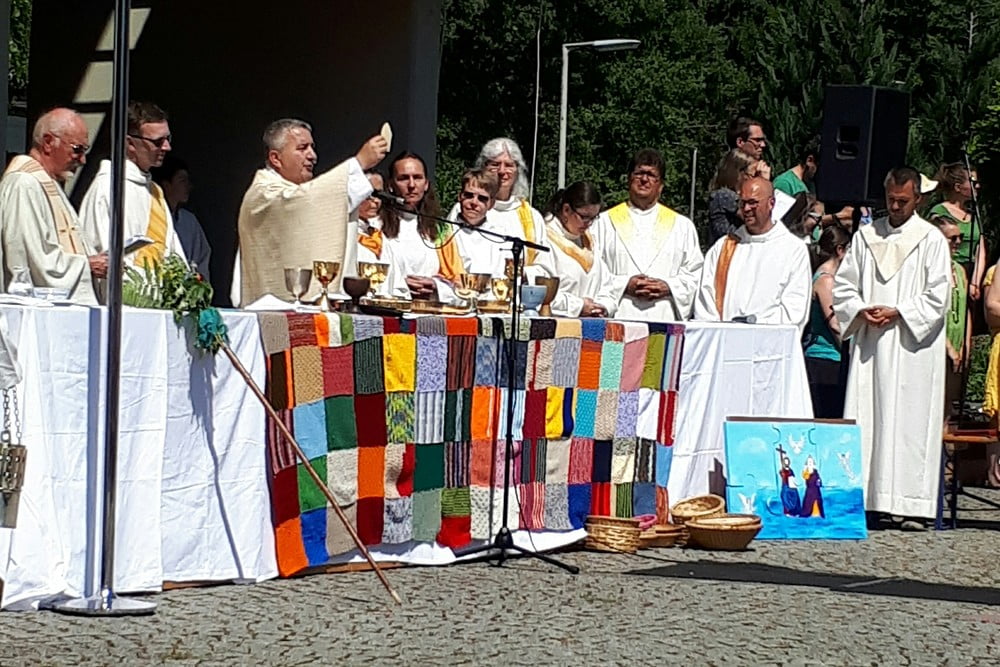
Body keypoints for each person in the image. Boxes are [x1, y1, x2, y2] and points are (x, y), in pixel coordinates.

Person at [832, 167, 951, 530]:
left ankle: (911, 503)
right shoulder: (867, 237)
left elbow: (938, 295)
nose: (896, 207)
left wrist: (899, 311)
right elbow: (844, 286)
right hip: (872, 343)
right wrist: (860, 309)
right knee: (869, 416)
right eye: (891, 200)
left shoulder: (930, 239)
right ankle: (869, 500)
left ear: (917, 199)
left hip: (912, 347)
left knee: (910, 422)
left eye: (903, 201)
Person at [231, 119, 387, 306]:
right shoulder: (264, 193)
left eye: (312, 147)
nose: (312, 156)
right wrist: (359, 163)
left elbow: (316, 199)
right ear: (275, 158)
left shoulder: (296, 192)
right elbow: (302, 202)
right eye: (302, 148)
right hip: (272, 310)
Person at [0, 108, 100, 304]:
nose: (82, 160)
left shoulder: (47, 183)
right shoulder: (24, 183)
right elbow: (31, 259)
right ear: (48, 142)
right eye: (77, 149)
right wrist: (87, 265)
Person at [593, 148, 704, 321]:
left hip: (664, 315)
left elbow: (696, 274)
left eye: (651, 175)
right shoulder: (603, 223)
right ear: (629, 179)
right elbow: (593, 271)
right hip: (619, 315)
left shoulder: (682, 226)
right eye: (639, 173)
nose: (644, 179)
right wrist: (625, 284)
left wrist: (668, 286)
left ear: (661, 185)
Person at [79, 101, 186, 271]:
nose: (167, 147)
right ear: (130, 143)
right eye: (158, 141)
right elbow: (105, 258)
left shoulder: (155, 191)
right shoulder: (108, 188)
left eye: (168, 139)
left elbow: (170, 247)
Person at [694, 177, 811, 328]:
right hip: (724, 338)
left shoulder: (794, 249)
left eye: (753, 202)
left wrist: (752, 326)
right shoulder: (724, 247)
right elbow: (706, 300)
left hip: (769, 340)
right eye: (742, 203)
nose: (746, 209)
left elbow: (794, 309)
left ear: (771, 203)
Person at [448, 137, 556, 281]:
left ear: (518, 170)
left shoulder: (531, 216)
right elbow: (450, 255)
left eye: (509, 165)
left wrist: (517, 272)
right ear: (483, 167)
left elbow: (546, 267)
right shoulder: (466, 208)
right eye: (495, 164)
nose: (502, 171)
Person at [381, 151, 462, 301]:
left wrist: (435, 286)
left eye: (417, 177)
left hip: (430, 307)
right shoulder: (377, 225)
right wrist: (400, 284)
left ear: (426, 184)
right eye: (403, 178)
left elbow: (459, 282)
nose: (411, 185)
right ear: (391, 185)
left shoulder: (440, 228)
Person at [544, 181, 622, 318]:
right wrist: (579, 306)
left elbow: (607, 286)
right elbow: (542, 292)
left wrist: (603, 307)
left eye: (594, 217)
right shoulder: (544, 239)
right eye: (584, 217)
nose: (589, 224)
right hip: (557, 323)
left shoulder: (590, 241)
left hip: (592, 324)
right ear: (566, 210)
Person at [803, 226, 851, 418]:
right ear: (840, 250)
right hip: (824, 360)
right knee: (828, 417)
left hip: (831, 361)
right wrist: (850, 354)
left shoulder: (832, 278)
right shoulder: (826, 280)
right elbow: (834, 324)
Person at [932, 216, 972, 419]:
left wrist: (966, 343)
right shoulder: (932, 270)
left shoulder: (959, 270)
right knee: (933, 402)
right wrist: (948, 346)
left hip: (958, 343)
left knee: (949, 404)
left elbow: (965, 309)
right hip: (938, 342)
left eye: (960, 237)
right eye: (952, 238)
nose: (958, 242)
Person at [151, 155, 211, 283]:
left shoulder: (189, 220)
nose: (188, 186)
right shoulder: (153, 216)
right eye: (182, 181)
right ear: (166, 185)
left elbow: (202, 257)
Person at [930, 163, 985, 301]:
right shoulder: (939, 212)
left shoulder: (974, 215)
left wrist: (975, 281)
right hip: (952, 272)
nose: (977, 186)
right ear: (958, 187)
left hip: (972, 273)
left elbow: (980, 249)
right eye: (973, 183)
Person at [348, 171, 402, 297]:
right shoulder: (344, 234)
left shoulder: (379, 237)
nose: (376, 201)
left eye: (379, 195)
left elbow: (397, 283)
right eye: (369, 195)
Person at [707, 149, 756, 244]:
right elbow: (757, 218)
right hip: (728, 248)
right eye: (751, 175)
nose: (753, 179)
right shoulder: (723, 196)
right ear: (739, 174)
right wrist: (764, 182)